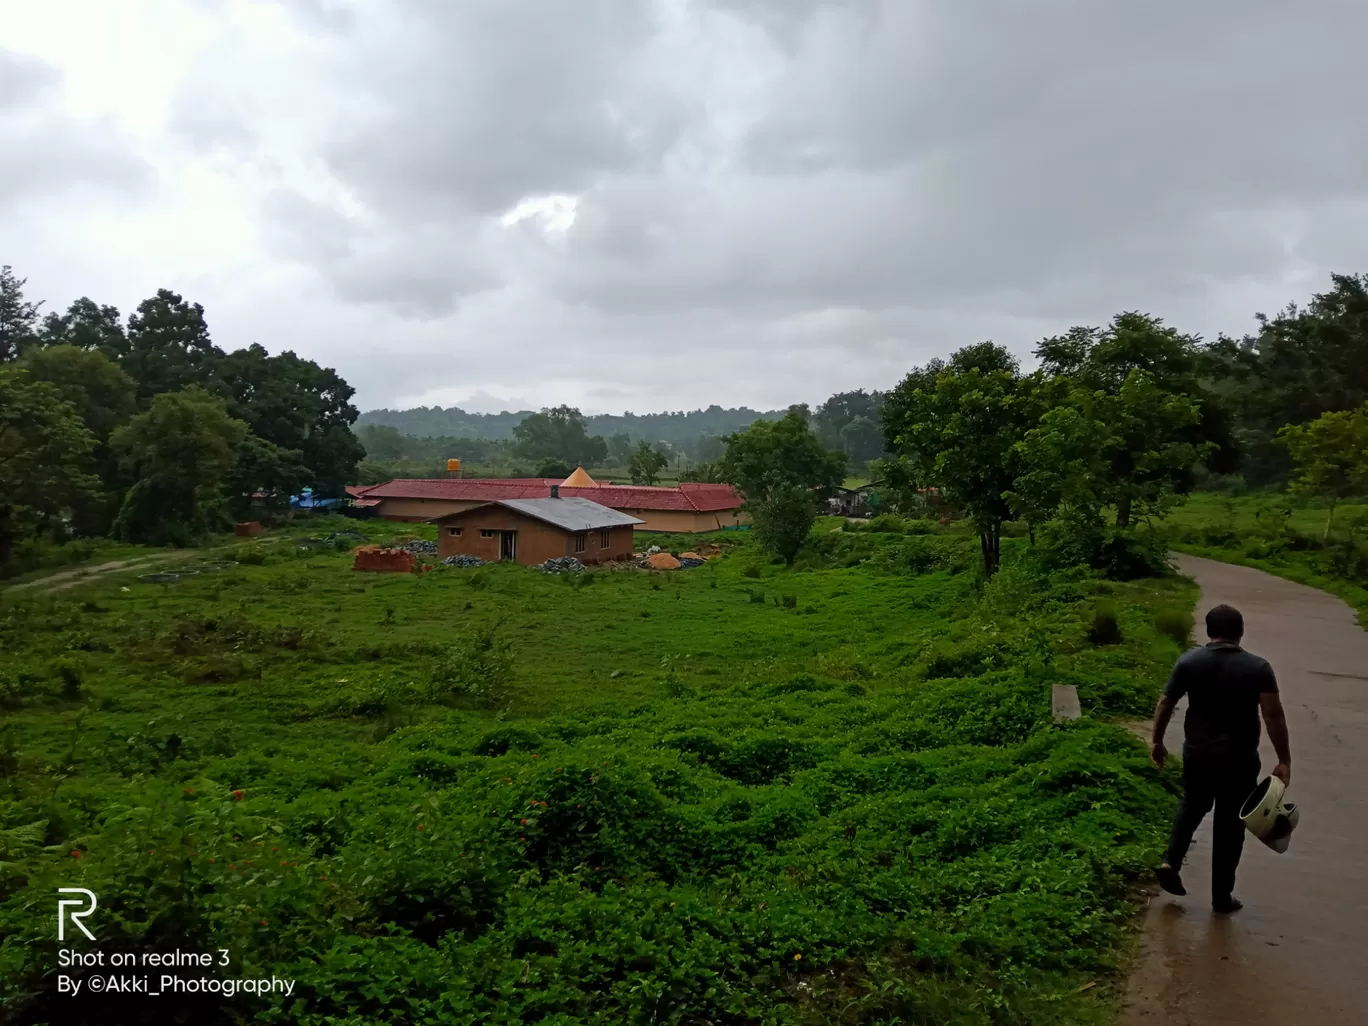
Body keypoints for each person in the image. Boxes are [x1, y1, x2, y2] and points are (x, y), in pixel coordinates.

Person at [1148, 603, 1292, 914]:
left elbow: (1166, 702)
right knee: (1230, 825)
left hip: (1198, 753)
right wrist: (1284, 759)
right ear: (1240, 632)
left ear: (1209, 631)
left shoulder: (1189, 661)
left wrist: (1157, 741)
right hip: (1239, 759)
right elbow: (1273, 715)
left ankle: (1169, 862)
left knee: (1191, 806)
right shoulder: (1258, 668)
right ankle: (1221, 897)